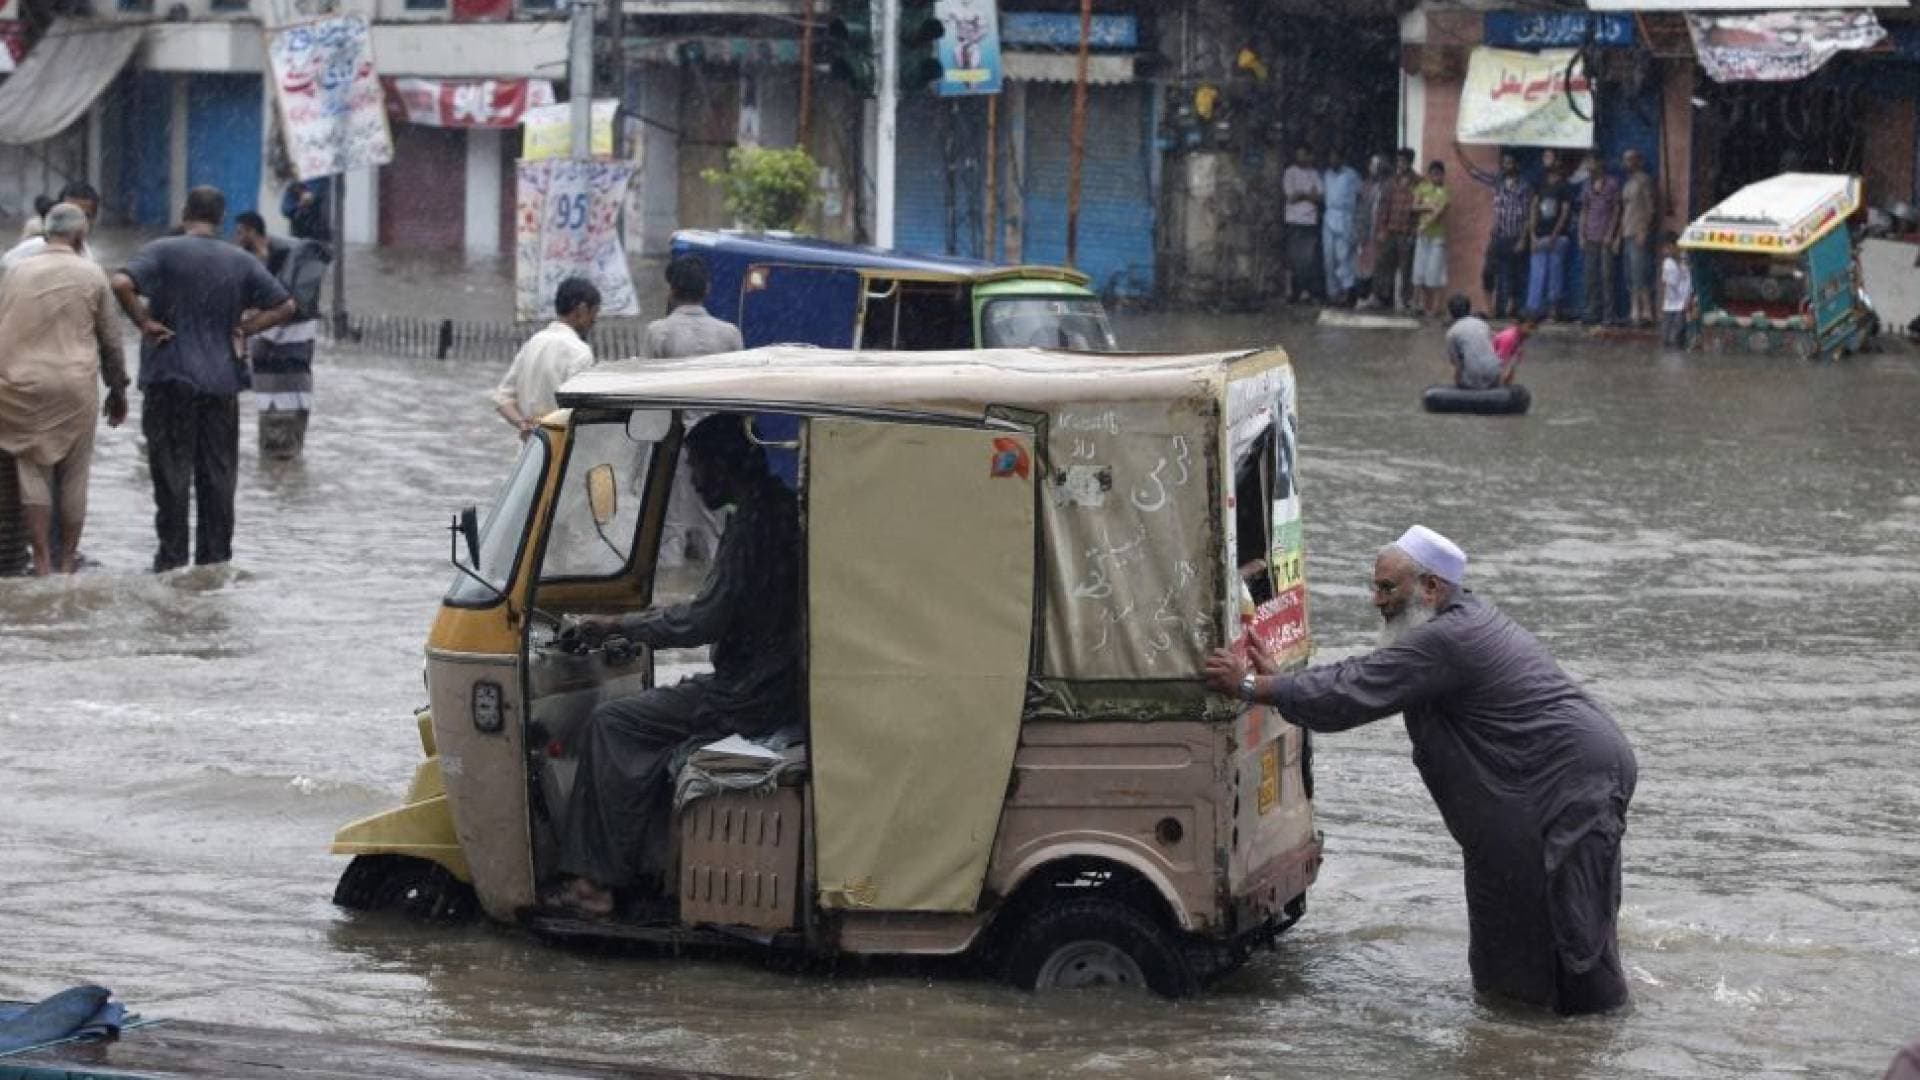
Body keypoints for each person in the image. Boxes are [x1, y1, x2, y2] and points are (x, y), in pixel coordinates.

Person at [1204, 525, 1637, 1015]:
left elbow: (1353, 691)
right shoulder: (1445, 630)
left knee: (1573, 922)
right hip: (1528, 790)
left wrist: (1248, 686)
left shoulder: (1449, 638)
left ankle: (1599, 1035)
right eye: (1375, 586)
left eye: (1387, 588)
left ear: (1431, 588)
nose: (1376, 600)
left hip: (1571, 781)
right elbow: (1366, 672)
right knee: (1505, 914)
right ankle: (1517, 1033)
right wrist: (1280, 683)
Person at [549, 414, 801, 918]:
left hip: (747, 696)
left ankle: (595, 885)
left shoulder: (753, 525)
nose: (693, 480)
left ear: (724, 466)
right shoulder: (776, 509)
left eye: (696, 467)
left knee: (612, 723)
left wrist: (619, 625)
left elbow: (704, 620)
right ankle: (643, 862)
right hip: (768, 683)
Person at [112, 186, 295, 573]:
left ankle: (171, 561)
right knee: (218, 477)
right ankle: (213, 563)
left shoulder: (162, 250)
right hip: (221, 384)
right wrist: (246, 327)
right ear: (221, 218)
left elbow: (120, 284)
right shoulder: (240, 260)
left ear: (184, 213)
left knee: (171, 475)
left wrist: (143, 322)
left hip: (170, 378)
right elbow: (285, 305)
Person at [0, 204, 129, 575]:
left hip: (20, 384)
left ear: (45, 234)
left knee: (32, 471)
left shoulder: (14, 272)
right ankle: (67, 561)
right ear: (80, 236)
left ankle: (40, 559)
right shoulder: (92, 274)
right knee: (74, 474)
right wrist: (118, 390)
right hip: (74, 386)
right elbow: (111, 341)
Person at [644, 255, 743, 567]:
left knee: (670, 531)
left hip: (675, 449)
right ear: (707, 289)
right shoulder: (729, 334)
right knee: (715, 531)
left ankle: (670, 601)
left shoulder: (658, 332)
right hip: (720, 450)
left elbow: (648, 396)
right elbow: (738, 396)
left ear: (671, 290)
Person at [234, 211, 331, 460]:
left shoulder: (281, 263)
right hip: (282, 376)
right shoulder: (269, 262)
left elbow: (281, 308)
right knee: (282, 447)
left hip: (281, 376)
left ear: (250, 230)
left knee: (278, 452)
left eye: (239, 231)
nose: (236, 238)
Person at [490, 277, 600, 440]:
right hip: (561, 450)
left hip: (530, 454)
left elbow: (502, 398)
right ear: (582, 310)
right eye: (594, 313)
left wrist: (523, 423)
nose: (594, 320)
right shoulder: (580, 352)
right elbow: (579, 412)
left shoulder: (534, 343)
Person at [4, 183, 100, 270]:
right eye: (70, 215)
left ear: (94, 219)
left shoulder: (86, 255)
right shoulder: (36, 246)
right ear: (57, 213)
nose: (78, 222)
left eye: (85, 216)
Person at [1369, 149, 1420, 312]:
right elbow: (1384, 207)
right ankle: (1381, 297)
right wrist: (1381, 228)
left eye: (1403, 161)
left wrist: (1414, 231)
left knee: (1406, 268)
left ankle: (1405, 300)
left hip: (1407, 231)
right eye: (1399, 161)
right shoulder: (1391, 182)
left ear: (1410, 162)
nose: (1400, 164)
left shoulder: (1418, 182)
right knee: (1383, 264)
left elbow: (1419, 209)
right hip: (1391, 229)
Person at [1483, 152, 1533, 319]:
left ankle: (1511, 307)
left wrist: (1523, 239)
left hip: (1515, 236)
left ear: (1516, 165)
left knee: (1513, 274)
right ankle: (1489, 308)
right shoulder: (1498, 183)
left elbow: (1528, 215)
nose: (1507, 166)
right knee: (1488, 271)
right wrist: (1459, 152)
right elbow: (1475, 173)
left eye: (1510, 163)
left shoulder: (1524, 187)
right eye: (1504, 163)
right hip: (1497, 236)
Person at [1526, 160, 1574, 320]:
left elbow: (1565, 212)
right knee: (1537, 272)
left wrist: (1555, 234)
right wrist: (1532, 234)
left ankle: (1553, 309)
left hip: (1557, 237)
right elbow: (1533, 208)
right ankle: (1534, 308)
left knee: (1555, 273)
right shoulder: (1540, 185)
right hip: (1540, 235)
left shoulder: (1564, 187)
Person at [1579, 159, 1624, 326]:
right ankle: (1592, 311)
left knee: (1607, 276)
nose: (1589, 167)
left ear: (1599, 164)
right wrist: (1581, 235)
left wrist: (1611, 233)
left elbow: (1617, 210)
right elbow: (1584, 210)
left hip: (1606, 237)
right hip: (1590, 235)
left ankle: (1609, 314)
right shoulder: (1586, 185)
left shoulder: (1612, 184)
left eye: (1591, 163)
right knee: (1590, 276)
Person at [1281, 145, 1325, 304]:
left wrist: (1302, 194)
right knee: (1293, 258)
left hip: (1310, 221)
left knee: (1308, 259)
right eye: (1298, 155)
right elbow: (1291, 197)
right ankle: (1291, 291)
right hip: (1294, 221)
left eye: (1303, 155)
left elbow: (1320, 197)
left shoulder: (1314, 174)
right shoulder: (1290, 172)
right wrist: (1308, 194)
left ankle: (1306, 291)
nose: (1301, 158)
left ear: (1309, 156)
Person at [1620, 150, 1657, 328]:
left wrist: (1644, 229)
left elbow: (1650, 207)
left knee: (1641, 272)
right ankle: (1634, 310)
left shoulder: (1644, 180)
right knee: (1630, 273)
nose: (1626, 163)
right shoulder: (1627, 183)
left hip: (1638, 232)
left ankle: (1646, 311)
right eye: (1625, 160)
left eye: (1630, 160)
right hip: (1627, 231)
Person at [1322, 152, 1363, 306]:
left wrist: (1357, 219)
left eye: (1335, 157)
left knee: (1344, 256)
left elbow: (1360, 195)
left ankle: (1347, 291)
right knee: (1329, 256)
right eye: (1330, 158)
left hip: (1345, 217)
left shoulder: (1351, 175)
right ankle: (1333, 293)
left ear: (1341, 159)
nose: (1332, 160)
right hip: (1329, 216)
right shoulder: (1327, 175)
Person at [1412, 161, 1451, 317]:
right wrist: (1428, 207)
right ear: (1429, 175)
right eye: (1433, 174)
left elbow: (1440, 212)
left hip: (1437, 237)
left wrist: (1426, 223)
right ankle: (1417, 304)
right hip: (1423, 236)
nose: (1437, 177)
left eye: (1439, 174)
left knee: (1435, 272)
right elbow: (1414, 206)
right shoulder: (1422, 188)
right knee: (1419, 270)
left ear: (1443, 175)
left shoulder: (1446, 191)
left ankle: (1435, 307)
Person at [1442, 295, 1503, 390]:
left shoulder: (1452, 332)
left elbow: (1456, 363)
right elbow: (1496, 341)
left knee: (1460, 369)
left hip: (1474, 375)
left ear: (1450, 313)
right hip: (1495, 370)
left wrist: (1457, 383)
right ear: (1469, 309)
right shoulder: (1482, 323)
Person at [1353, 154, 1388, 305]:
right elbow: (1360, 209)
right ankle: (1363, 296)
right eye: (1371, 165)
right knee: (1363, 264)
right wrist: (1359, 231)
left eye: (1376, 165)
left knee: (1379, 265)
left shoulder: (1387, 187)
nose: (1372, 168)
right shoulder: (1365, 186)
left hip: (1380, 230)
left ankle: (1376, 296)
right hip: (1366, 231)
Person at [1660, 231, 1691, 349]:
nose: (1665, 251)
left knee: (1676, 337)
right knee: (1666, 338)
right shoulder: (1668, 263)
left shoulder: (1686, 261)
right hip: (1669, 306)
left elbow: (1688, 281)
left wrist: (1688, 300)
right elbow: (1666, 284)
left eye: (1667, 247)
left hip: (1681, 305)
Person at [1492, 316, 1536, 386]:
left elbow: (1514, 363)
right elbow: (1499, 363)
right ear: (1519, 325)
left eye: (1534, 328)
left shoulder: (1520, 336)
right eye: (1530, 327)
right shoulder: (1509, 337)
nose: (1531, 331)